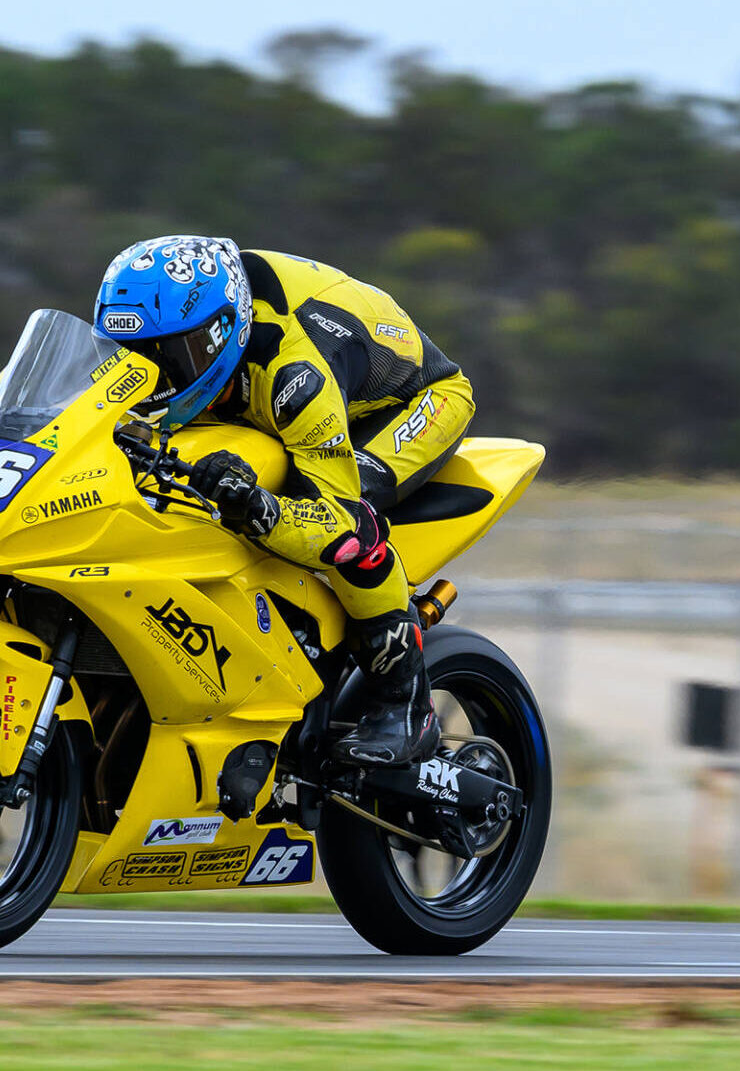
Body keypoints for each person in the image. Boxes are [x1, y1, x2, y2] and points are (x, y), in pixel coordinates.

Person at [93, 235, 475, 766]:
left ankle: (406, 705)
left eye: (170, 357)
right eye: (130, 357)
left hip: (413, 402)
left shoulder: (294, 376)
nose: (153, 377)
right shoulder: (202, 346)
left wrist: (255, 506)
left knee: (349, 526)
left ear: (221, 332)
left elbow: (335, 522)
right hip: (287, 384)